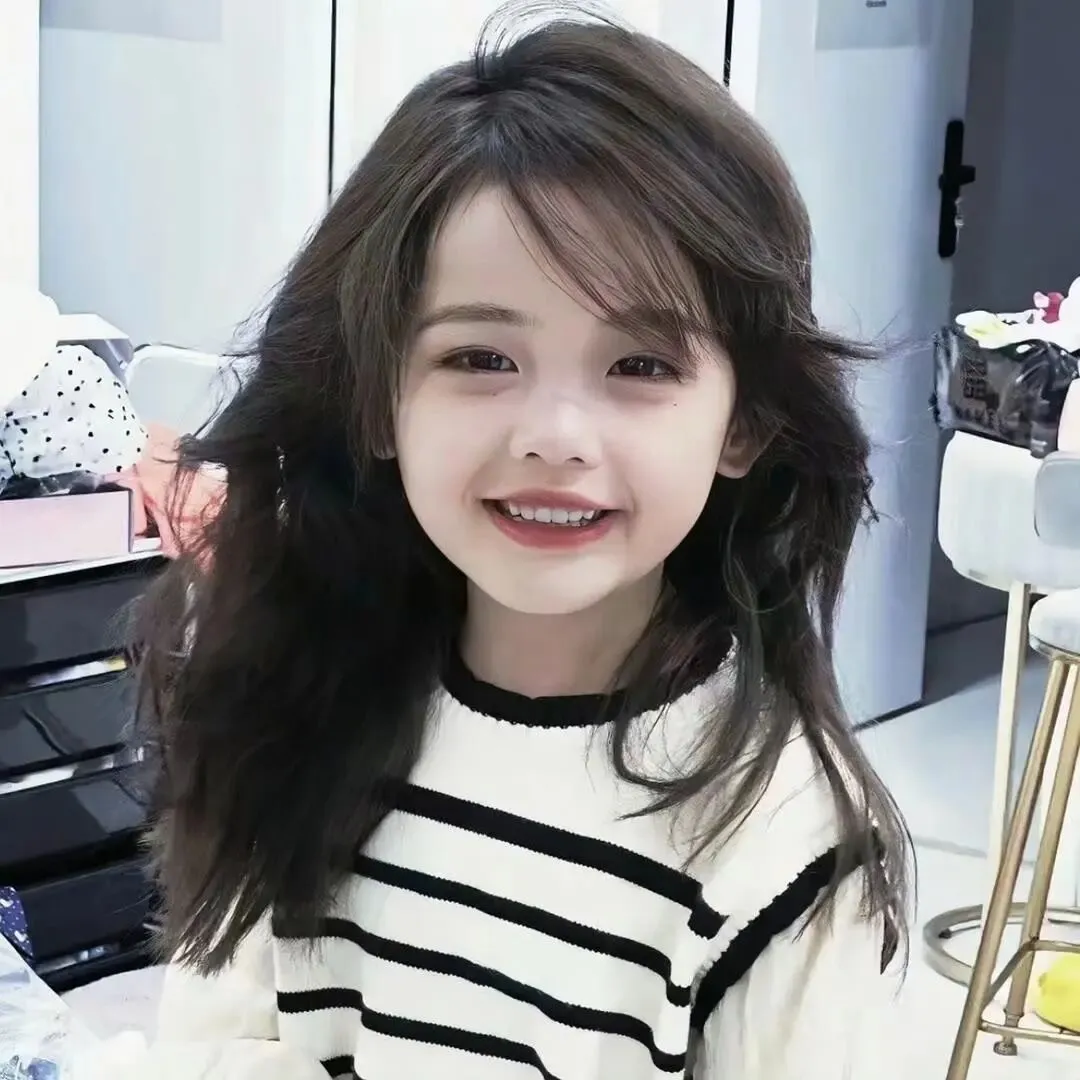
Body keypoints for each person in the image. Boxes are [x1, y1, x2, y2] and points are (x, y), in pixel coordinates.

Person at [82, 7, 913, 1079]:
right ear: (379, 399)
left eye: (642, 367)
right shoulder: (297, 691)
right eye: (480, 358)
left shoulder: (785, 838)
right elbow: (217, 1042)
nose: (554, 438)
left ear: (742, 425)